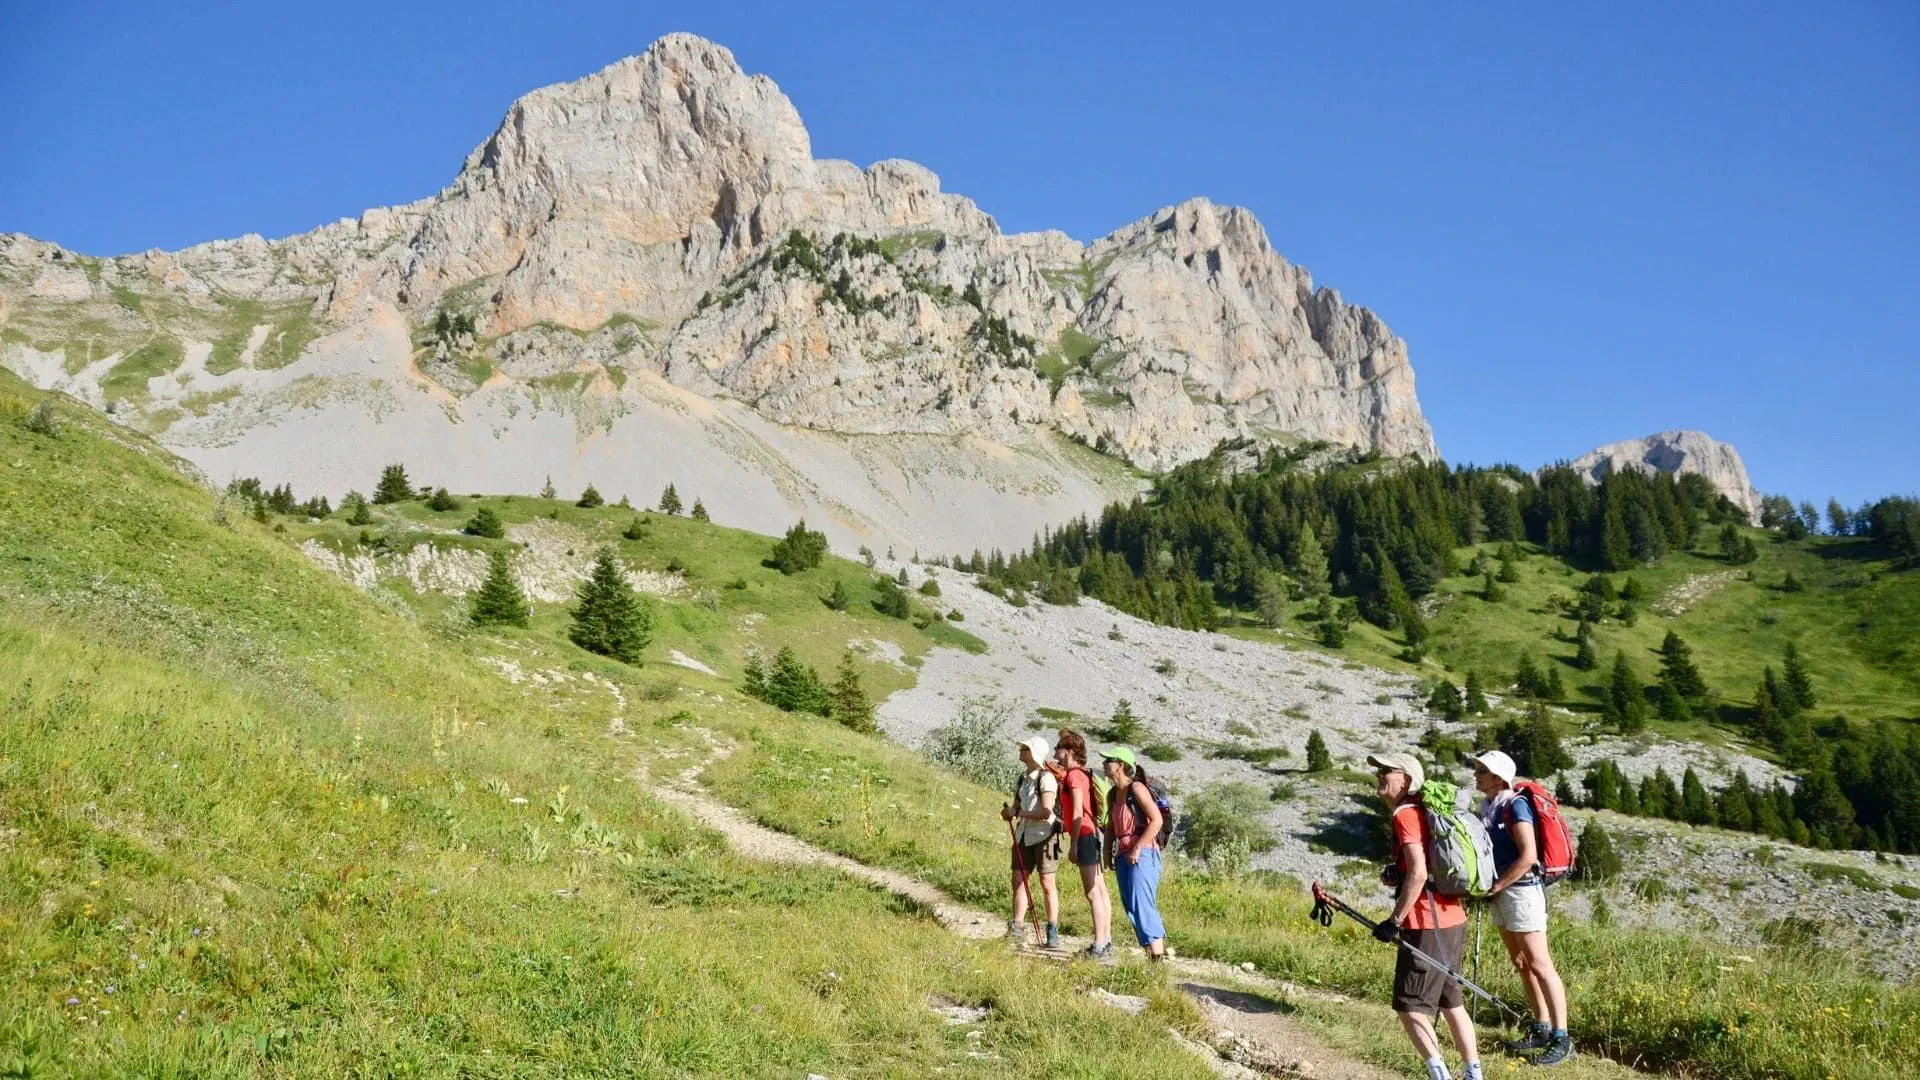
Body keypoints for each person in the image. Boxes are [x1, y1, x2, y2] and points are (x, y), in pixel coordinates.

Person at [1368, 750, 1484, 1080]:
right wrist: (1397, 872)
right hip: (1452, 919)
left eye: (1386, 772)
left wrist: (1395, 921)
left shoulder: (1406, 813)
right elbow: (1424, 867)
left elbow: (1419, 874)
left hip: (1425, 922)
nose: (1379, 777)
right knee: (1451, 1003)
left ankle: (1440, 1075)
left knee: (1410, 1005)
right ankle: (1473, 1074)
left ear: (1406, 778)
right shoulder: (1425, 810)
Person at [1469, 750, 1574, 1066]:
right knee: (1521, 961)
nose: (1477, 775)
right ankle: (1540, 1027)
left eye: (1482, 771)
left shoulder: (1515, 805)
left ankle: (1561, 1037)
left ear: (1499, 777)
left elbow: (1528, 856)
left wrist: (1498, 885)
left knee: (1540, 964)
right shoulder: (1490, 807)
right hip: (1502, 892)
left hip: (1522, 891)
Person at [1099, 747, 1167, 960]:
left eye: (1109, 760)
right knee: (1132, 906)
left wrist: (1137, 848)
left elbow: (1157, 821)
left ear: (1120, 764)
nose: (1104, 764)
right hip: (1124, 854)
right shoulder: (1112, 794)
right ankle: (1151, 956)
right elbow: (1111, 826)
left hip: (1144, 853)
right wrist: (1107, 852)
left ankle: (1157, 959)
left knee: (1142, 903)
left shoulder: (1136, 789)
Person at [1051, 730, 1114, 958]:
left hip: (1085, 835)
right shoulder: (1083, 775)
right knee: (1100, 890)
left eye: (1058, 746)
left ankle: (1099, 945)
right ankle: (1106, 940)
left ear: (1068, 752)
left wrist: (1074, 844)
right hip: (1093, 833)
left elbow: (1077, 811)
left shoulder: (1074, 776)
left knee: (1092, 892)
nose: (1055, 750)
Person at [1000, 735, 1061, 948]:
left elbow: (1046, 812)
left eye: (1025, 748)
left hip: (1046, 836)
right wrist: (1010, 813)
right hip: (1025, 835)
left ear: (1034, 753)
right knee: (1019, 879)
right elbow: (1017, 808)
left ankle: (1052, 930)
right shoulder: (1022, 779)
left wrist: (1017, 812)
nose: (1021, 750)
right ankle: (1017, 926)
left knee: (1047, 883)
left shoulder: (1046, 779)